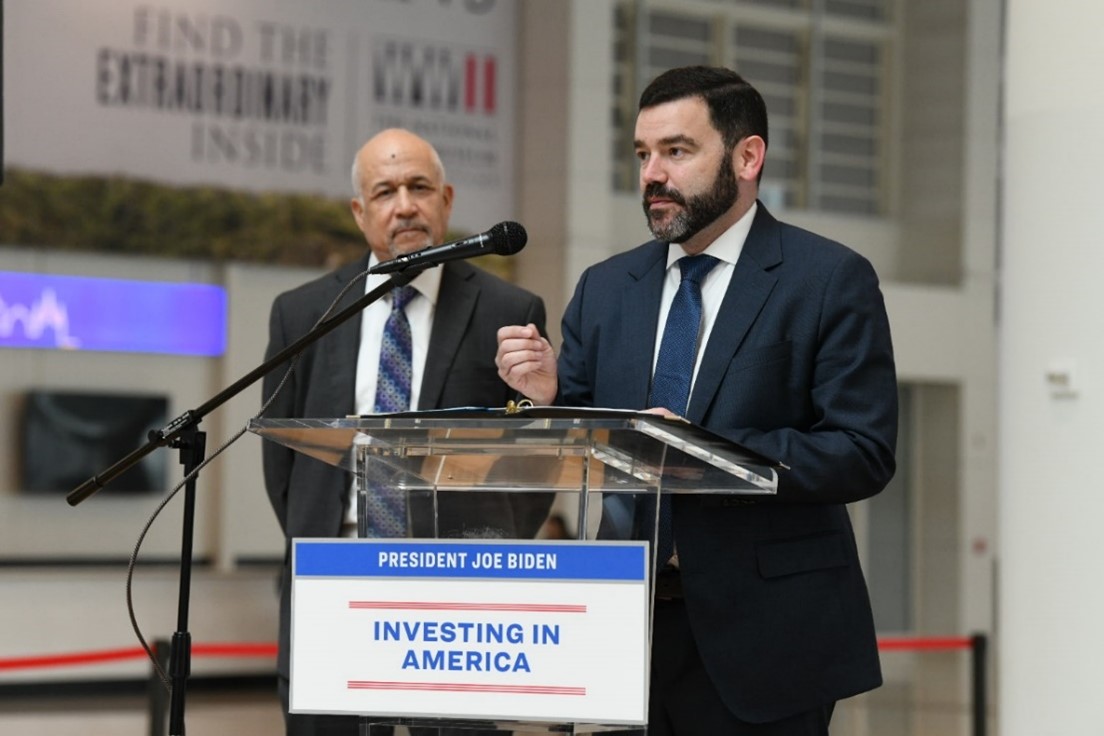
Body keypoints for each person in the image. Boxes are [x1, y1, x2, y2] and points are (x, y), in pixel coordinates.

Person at [495, 66, 898, 735]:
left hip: (766, 640)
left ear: (747, 157)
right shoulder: (607, 287)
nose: (653, 173)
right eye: (642, 154)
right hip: (625, 634)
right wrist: (548, 398)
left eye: (677, 151)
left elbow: (861, 453)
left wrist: (700, 450)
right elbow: (590, 445)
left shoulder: (827, 279)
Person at [262, 128, 550, 736]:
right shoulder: (304, 311)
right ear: (360, 212)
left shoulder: (508, 311)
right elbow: (283, 464)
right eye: (385, 191)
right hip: (332, 580)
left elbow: (534, 466)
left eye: (420, 187)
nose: (405, 205)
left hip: (457, 597)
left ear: (446, 200)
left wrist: (483, 553)